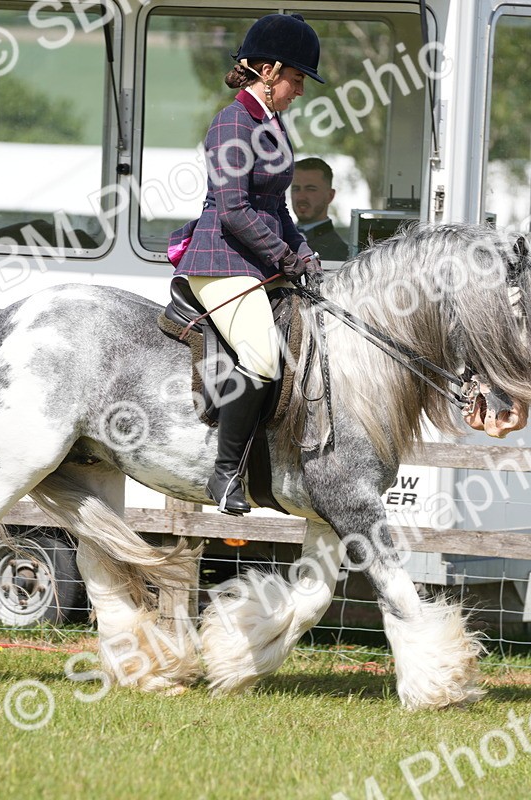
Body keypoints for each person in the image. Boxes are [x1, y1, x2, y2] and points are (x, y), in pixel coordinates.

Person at [169, 13, 323, 515]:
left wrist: (301, 252)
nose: (299, 90)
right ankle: (225, 472)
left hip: (258, 259)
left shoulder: (271, 123)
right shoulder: (233, 122)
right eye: (296, 79)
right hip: (221, 260)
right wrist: (282, 256)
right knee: (261, 356)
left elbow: (277, 207)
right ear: (269, 70)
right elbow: (233, 211)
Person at [291, 157, 350, 261]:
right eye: (296, 189)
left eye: (311, 189)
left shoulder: (339, 251)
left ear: (330, 196)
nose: (301, 197)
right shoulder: (280, 237)